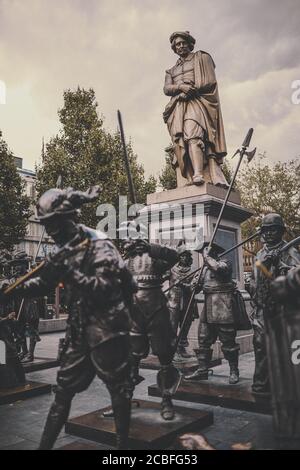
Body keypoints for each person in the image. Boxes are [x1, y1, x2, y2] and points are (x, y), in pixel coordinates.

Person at [0, 186, 136, 450]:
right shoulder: (65, 249)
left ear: (69, 219)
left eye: (53, 225)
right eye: (46, 226)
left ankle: (123, 448)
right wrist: (10, 290)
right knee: (62, 393)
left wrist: (71, 274)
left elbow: (107, 288)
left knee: (118, 391)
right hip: (80, 329)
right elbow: (43, 282)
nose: (50, 232)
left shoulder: (100, 244)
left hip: (108, 327)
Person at [118, 221, 181, 421]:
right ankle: (124, 401)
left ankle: (166, 399)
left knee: (164, 357)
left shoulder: (154, 256)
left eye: (128, 237)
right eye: (123, 238)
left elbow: (174, 256)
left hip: (156, 309)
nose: (125, 241)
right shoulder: (122, 262)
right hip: (134, 313)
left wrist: (151, 247)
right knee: (130, 359)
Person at [163, 31, 228, 187]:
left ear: (189, 43)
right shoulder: (171, 71)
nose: (180, 46)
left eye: (183, 42)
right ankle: (191, 175)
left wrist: (192, 91)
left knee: (193, 135)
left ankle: (199, 174)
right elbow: (166, 89)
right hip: (178, 106)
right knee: (182, 142)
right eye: (177, 44)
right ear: (174, 47)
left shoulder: (202, 58)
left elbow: (210, 81)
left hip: (197, 102)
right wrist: (181, 88)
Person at [248, 213, 300, 397]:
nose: (269, 234)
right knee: (260, 344)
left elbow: (296, 276)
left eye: (273, 230)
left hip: (282, 309)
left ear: (281, 231)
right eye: (266, 230)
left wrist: (282, 265)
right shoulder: (261, 253)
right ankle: (261, 383)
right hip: (262, 307)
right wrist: (252, 279)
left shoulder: (290, 251)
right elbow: (256, 274)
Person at [184, 241, 240, 384]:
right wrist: (193, 285)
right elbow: (195, 289)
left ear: (212, 252)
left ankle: (234, 370)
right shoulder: (204, 269)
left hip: (223, 304)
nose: (203, 255)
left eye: (205, 251)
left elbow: (218, 269)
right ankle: (202, 369)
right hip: (208, 306)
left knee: (228, 341)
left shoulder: (225, 262)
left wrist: (207, 258)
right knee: (203, 339)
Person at [167, 244, 198, 361]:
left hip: (188, 302)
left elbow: (195, 287)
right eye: (182, 256)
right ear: (178, 258)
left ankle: (181, 348)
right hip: (173, 302)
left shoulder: (194, 270)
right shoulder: (172, 269)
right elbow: (162, 277)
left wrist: (184, 285)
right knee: (172, 326)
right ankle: (172, 350)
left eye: (186, 256)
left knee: (185, 326)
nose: (184, 258)